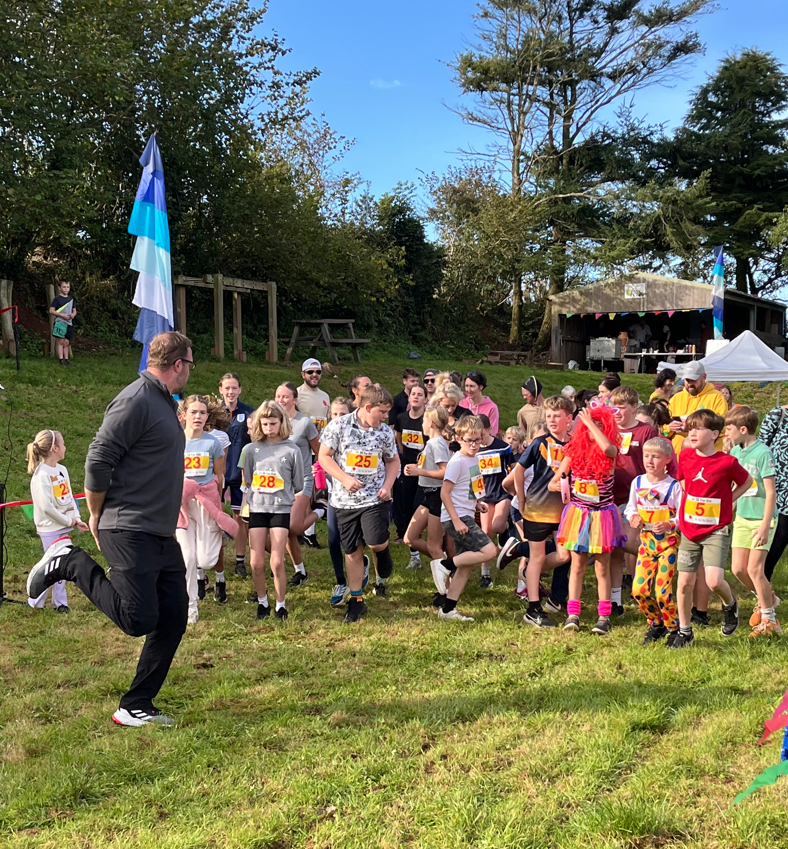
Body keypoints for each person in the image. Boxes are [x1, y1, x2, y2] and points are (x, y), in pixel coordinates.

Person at [26, 331, 194, 726]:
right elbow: (99, 458)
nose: (190, 370)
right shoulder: (136, 399)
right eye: (190, 363)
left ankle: (135, 705)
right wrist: (96, 513)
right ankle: (69, 561)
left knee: (174, 616)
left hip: (158, 531)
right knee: (137, 619)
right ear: (178, 364)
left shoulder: (163, 401)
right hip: (128, 525)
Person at [671, 409, 751, 649]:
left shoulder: (727, 462)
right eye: (691, 428)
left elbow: (747, 482)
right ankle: (685, 631)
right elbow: (682, 479)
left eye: (699, 429)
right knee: (684, 582)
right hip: (689, 529)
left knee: (714, 580)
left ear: (715, 434)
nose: (692, 433)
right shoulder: (685, 456)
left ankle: (730, 604)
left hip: (716, 530)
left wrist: (728, 501)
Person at [318, 384, 399, 622]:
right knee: (352, 551)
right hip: (344, 501)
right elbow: (324, 456)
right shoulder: (339, 426)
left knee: (375, 541)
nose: (385, 417)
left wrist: (388, 486)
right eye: (382, 412)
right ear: (368, 407)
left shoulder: (384, 432)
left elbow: (393, 461)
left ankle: (382, 551)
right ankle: (356, 600)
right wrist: (344, 478)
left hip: (374, 497)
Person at [500, 395, 574, 625]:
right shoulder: (540, 442)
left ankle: (529, 570)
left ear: (569, 418)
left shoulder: (574, 445)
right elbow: (519, 471)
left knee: (564, 555)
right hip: (538, 507)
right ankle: (533, 609)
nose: (551, 420)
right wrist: (521, 499)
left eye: (557, 416)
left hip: (565, 510)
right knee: (538, 555)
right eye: (548, 415)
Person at [552, 404, 626, 635]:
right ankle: (573, 614)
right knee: (577, 565)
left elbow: (608, 449)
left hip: (602, 516)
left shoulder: (610, 454)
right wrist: (562, 487)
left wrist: (591, 424)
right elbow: (554, 482)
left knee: (602, 567)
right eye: (592, 426)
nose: (595, 429)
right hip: (579, 514)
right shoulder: (573, 453)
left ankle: (604, 617)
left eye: (601, 426)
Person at [430, 416, 498, 622]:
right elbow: (445, 493)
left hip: (466, 513)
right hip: (457, 518)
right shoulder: (457, 462)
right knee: (489, 551)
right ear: (459, 439)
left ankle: (448, 610)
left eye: (478, 439)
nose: (474, 444)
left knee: (466, 565)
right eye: (469, 440)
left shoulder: (474, 459)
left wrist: (477, 503)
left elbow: (466, 487)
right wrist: (457, 521)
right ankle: (445, 565)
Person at [241, 400, 304, 622]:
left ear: (282, 422)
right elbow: (248, 479)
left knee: (276, 561)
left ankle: (280, 604)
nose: (269, 428)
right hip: (257, 508)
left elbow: (298, 483)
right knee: (255, 562)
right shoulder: (251, 450)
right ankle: (262, 601)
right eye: (265, 424)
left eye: (273, 423)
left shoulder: (292, 449)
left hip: (280, 509)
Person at [725, 407, 781, 636]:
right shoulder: (735, 452)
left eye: (729, 429)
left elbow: (771, 492)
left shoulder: (763, 453)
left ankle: (770, 621)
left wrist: (765, 525)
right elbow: (736, 486)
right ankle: (768, 597)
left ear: (743, 429)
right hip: (742, 518)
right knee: (738, 569)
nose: (726, 433)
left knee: (755, 569)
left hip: (762, 519)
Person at [609, 385, 662, 617]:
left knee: (631, 544)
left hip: (638, 499)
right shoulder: (608, 429)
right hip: (609, 495)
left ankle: (656, 582)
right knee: (613, 549)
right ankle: (615, 601)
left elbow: (657, 464)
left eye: (621, 407)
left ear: (633, 407)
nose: (616, 412)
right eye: (613, 407)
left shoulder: (645, 431)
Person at [624, 437, 682, 645]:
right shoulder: (638, 482)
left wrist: (669, 524)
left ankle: (674, 627)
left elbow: (681, 516)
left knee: (662, 592)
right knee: (638, 590)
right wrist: (633, 518)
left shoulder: (673, 486)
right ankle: (656, 622)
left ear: (667, 459)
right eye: (647, 456)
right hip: (646, 544)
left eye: (656, 457)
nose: (650, 461)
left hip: (668, 545)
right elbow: (630, 508)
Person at [176, 395, 228, 624]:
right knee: (187, 557)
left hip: (206, 504)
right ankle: (190, 606)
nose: (198, 416)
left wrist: (219, 505)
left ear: (208, 416)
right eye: (194, 412)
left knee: (205, 560)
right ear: (183, 416)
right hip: (182, 506)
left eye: (202, 413)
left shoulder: (213, 444)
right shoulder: (175, 442)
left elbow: (219, 476)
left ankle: (216, 539)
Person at [27, 429, 89, 612]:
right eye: (63, 444)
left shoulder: (62, 470)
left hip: (63, 525)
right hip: (49, 528)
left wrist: (76, 519)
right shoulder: (41, 475)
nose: (65, 447)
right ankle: (36, 601)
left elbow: (68, 498)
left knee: (61, 564)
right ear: (54, 448)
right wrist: (68, 521)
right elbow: (46, 508)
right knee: (51, 566)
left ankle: (59, 603)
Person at [274, 382, 328, 587]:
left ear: (295, 399)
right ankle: (301, 572)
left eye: (285, 396)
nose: (281, 400)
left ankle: (320, 510)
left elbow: (320, 451)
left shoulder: (304, 423)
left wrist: (319, 473)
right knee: (285, 529)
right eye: (278, 396)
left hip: (302, 479)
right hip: (279, 481)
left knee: (293, 527)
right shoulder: (272, 421)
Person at [324, 398, 371, 606]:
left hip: (358, 498)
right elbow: (322, 460)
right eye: (334, 414)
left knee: (356, 542)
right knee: (333, 539)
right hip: (335, 497)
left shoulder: (356, 435)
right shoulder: (328, 436)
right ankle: (341, 582)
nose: (338, 418)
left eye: (342, 414)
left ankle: (361, 565)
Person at [403, 405, 450, 564]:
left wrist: (420, 472)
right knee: (410, 538)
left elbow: (445, 472)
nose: (421, 423)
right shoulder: (431, 443)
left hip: (438, 496)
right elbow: (432, 467)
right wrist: (416, 468)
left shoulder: (437, 443)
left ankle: (449, 573)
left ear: (431, 423)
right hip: (429, 495)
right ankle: (447, 563)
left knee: (433, 546)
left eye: (423, 420)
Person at [218, 372, 254, 578]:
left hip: (240, 473)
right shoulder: (213, 413)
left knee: (240, 517)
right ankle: (216, 559)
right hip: (219, 471)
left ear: (240, 390)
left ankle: (240, 561)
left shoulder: (249, 413)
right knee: (215, 514)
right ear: (220, 390)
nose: (230, 392)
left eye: (234, 388)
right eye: (227, 388)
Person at [394, 383, 427, 568]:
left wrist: (420, 464)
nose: (415, 397)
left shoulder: (427, 420)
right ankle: (414, 555)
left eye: (419, 394)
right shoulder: (402, 418)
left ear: (425, 399)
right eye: (413, 394)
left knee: (420, 507)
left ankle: (437, 545)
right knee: (407, 508)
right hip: (407, 469)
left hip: (424, 471)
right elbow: (399, 438)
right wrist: (406, 458)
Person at [667, 361, 727, 455]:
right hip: (678, 457)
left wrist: (693, 428)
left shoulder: (717, 398)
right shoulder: (675, 399)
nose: (690, 383)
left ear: (704, 377)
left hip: (707, 456)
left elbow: (722, 428)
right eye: (687, 380)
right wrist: (669, 428)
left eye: (693, 380)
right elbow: (661, 427)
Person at [760, 403, 788, 592]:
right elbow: (761, 449)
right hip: (779, 488)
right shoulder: (779, 415)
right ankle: (763, 578)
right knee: (780, 534)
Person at [461, 370, 499, 436]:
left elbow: (492, 433)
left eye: (472, 386)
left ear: (481, 387)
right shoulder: (461, 404)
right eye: (466, 386)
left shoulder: (492, 408)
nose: (468, 390)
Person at [296, 358, 331, 431]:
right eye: (310, 372)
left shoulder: (325, 396)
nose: (314, 375)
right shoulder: (296, 394)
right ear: (303, 375)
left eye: (318, 372)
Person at [49, 279, 76, 366]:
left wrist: (72, 315)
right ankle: (61, 359)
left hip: (69, 323)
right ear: (59, 288)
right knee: (60, 341)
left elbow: (74, 310)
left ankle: (66, 359)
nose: (66, 289)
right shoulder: (57, 299)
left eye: (68, 287)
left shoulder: (71, 299)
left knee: (66, 342)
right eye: (64, 287)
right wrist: (62, 315)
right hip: (60, 322)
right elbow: (51, 310)